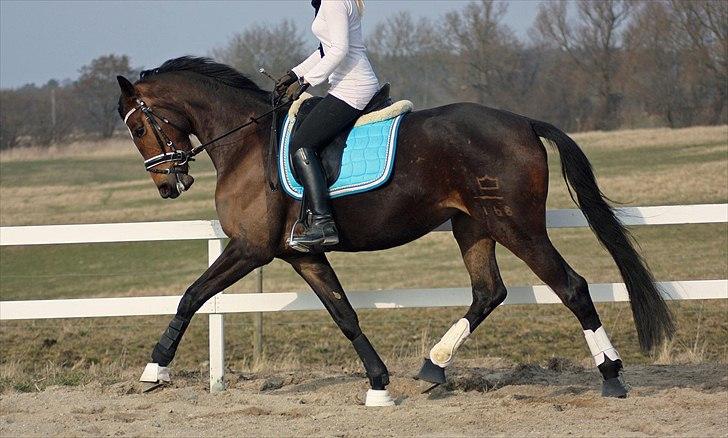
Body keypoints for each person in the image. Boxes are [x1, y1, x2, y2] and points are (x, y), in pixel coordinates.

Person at [274, 0, 379, 251]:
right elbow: (325, 48)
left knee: (301, 144)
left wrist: (306, 82)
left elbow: (339, 50)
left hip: (352, 88)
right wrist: (295, 73)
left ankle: (322, 223)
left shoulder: (333, 1)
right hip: (345, 85)